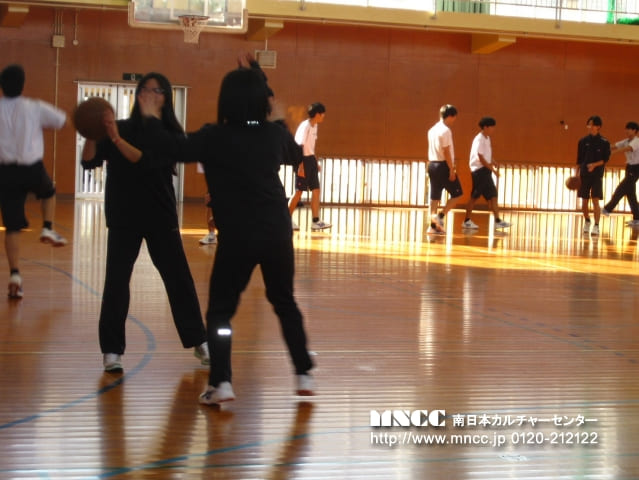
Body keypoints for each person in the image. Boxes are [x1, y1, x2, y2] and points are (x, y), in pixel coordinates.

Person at [182, 67, 315, 405]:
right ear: (263, 102)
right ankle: (303, 373)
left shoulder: (214, 136)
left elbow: (174, 148)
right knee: (284, 302)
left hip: (239, 235)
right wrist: (274, 111)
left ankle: (221, 382)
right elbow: (296, 154)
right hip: (276, 231)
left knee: (220, 313)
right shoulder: (273, 134)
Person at [81, 72, 209, 372]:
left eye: (157, 91)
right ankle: (111, 350)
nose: (150, 95)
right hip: (123, 215)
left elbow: (143, 160)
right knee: (116, 282)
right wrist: (91, 132)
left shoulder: (169, 135)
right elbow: (89, 161)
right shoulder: (122, 127)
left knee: (179, 280)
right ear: (138, 95)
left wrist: (115, 138)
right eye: (145, 90)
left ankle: (199, 341)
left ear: (166, 98)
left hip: (159, 215)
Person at [0, 64, 68, 299]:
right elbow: (62, 121)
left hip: (5, 172)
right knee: (48, 192)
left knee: (12, 227)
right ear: (23, 84)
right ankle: (47, 228)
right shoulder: (34, 107)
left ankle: (15, 276)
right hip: (31, 167)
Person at [288, 102, 331, 231]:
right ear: (317, 114)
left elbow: (310, 146)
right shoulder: (305, 126)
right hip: (302, 161)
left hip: (310, 160)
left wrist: (315, 161)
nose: (323, 116)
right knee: (299, 192)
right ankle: (286, 220)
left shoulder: (315, 126)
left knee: (316, 190)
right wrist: (300, 166)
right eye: (322, 114)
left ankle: (316, 221)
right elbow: (299, 146)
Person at [462, 117, 510, 230]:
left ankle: (498, 221)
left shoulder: (487, 138)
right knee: (474, 196)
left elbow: (486, 155)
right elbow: (480, 157)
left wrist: (493, 161)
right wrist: (493, 170)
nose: (493, 129)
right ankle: (466, 221)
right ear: (485, 127)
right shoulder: (479, 139)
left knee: (493, 196)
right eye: (492, 127)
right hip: (479, 171)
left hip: (485, 171)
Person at [427, 104, 463, 234]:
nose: (454, 120)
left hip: (432, 164)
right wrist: (451, 169)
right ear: (451, 116)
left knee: (434, 197)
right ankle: (440, 216)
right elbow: (446, 151)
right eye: (454, 117)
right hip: (443, 165)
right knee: (457, 193)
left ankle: (432, 226)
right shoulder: (446, 131)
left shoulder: (432, 130)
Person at [576, 115, 611, 236]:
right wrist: (576, 174)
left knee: (595, 200)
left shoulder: (604, 142)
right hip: (584, 174)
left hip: (597, 175)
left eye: (592, 124)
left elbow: (605, 159)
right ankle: (587, 221)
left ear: (598, 126)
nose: (590, 127)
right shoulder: (582, 141)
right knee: (584, 201)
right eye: (588, 124)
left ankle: (596, 225)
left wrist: (594, 165)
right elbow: (579, 160)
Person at [602, 121, 639, 228]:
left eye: (629, 129)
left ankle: (608, 208)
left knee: (621, 188)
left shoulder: (636, 141)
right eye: (626, 129)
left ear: (635, 131)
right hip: (629, 168)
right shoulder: (626, 141)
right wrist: (602, 148)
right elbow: (613, 146)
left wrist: (613, 153)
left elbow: (628, 148)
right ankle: (637, 219)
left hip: (636, 168)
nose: (626, 131)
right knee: (630, 194)